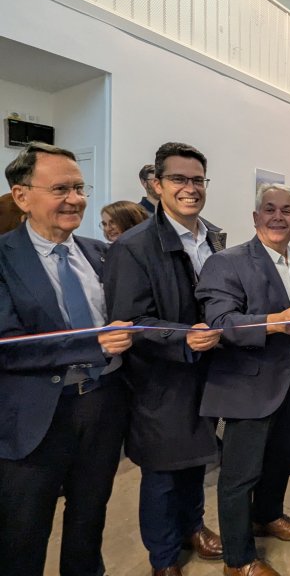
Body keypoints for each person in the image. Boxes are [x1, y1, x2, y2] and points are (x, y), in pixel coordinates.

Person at [0, 143, 134, 575]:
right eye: (60, 188)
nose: (75, 199)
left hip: (102, 405)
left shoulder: (100, 253)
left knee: (89, 518)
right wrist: (93, 346)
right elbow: (8, 343)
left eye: (79, 187)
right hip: (36, 416)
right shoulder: (3, 257)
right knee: (24, 529)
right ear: (22, 196)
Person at [104, 142, 226, 576]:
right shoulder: (133, 247)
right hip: (159, 378)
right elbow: (128, 321)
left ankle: (193, 526)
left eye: (197, 180)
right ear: (157, 185)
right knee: (161, 472)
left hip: (205, 370)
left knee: (197, 456)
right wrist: (182, 338)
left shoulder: (213, 235)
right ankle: (163, 557)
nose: (189, 188)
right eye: (178, 179)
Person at [195, 184, 290, 576]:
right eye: (269, 209)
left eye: (286, 211)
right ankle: (239, 559)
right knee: (239, 476)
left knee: (280, 460)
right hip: (248, 384)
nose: (277, 217)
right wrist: (274, 323)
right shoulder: (227, 262)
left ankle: (268, 516)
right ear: (255, 217)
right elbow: (221, 323)